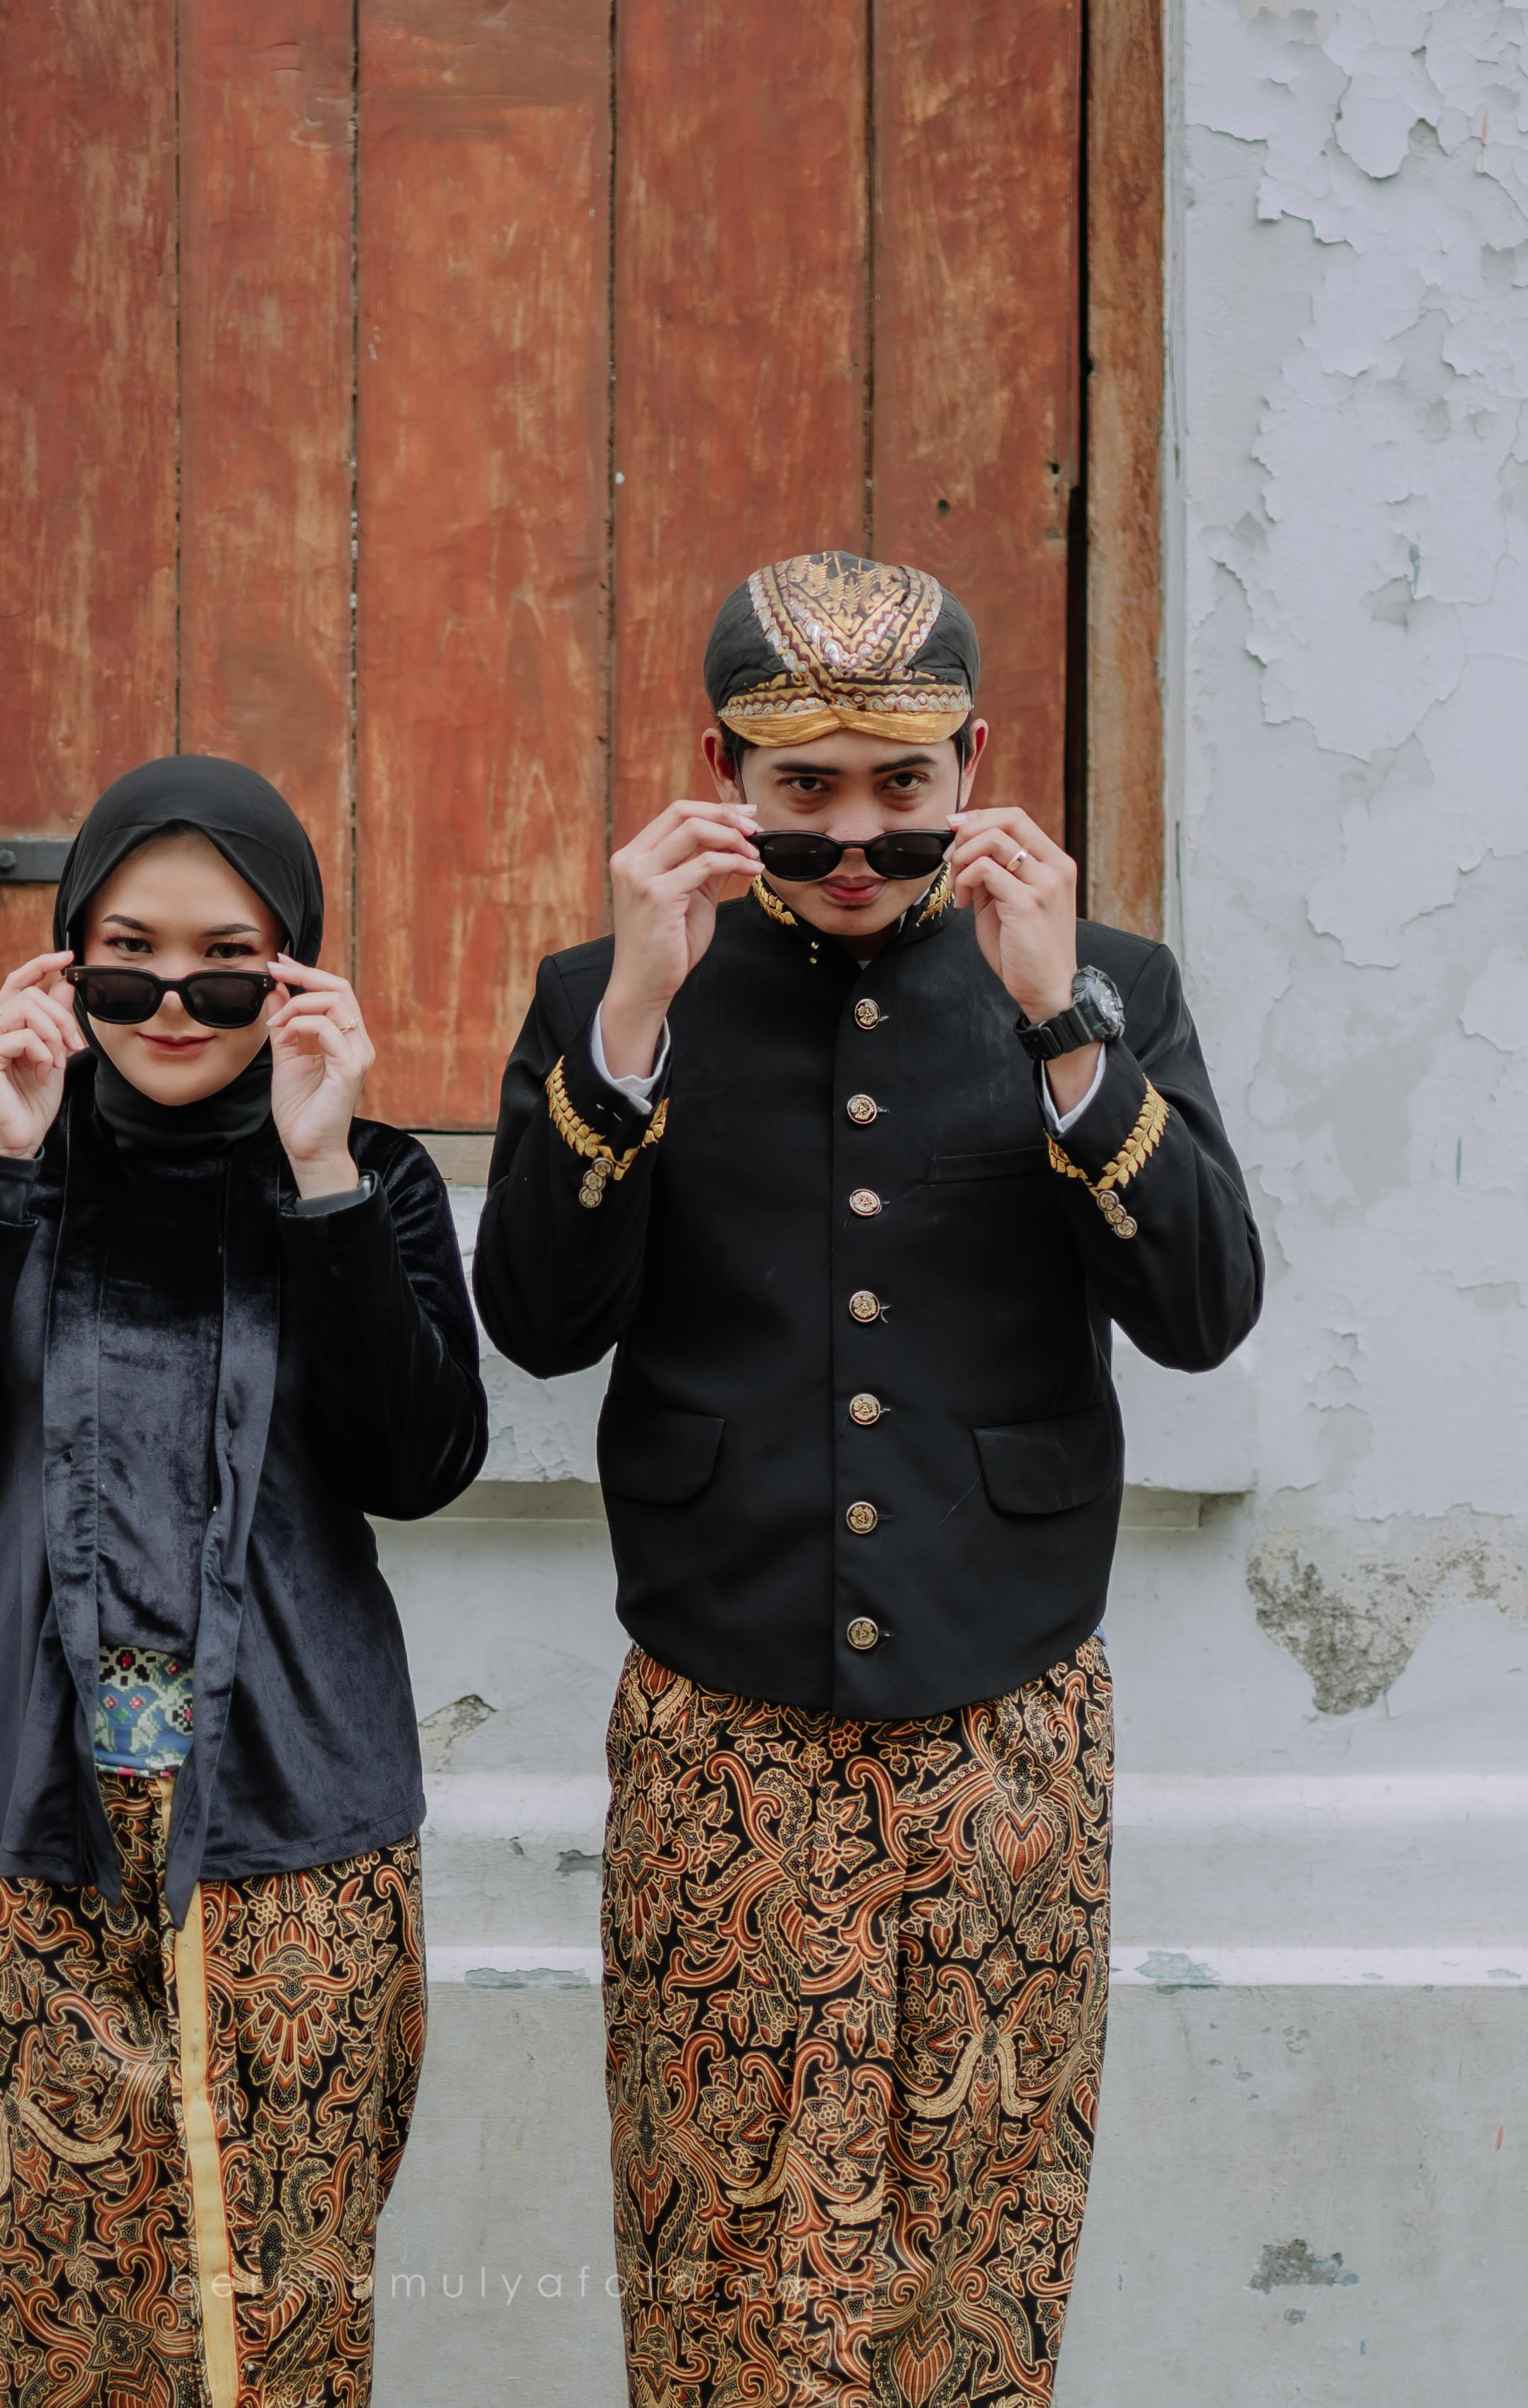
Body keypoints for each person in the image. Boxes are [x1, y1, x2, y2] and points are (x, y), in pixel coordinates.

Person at [473, 553, 1265, 2406]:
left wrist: (1061, 1026)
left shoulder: (1105, 986)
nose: (851, 840)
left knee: (975, 2246)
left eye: (900, 789)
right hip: (720, 1714)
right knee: (719, 2241)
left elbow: (1203, 1310)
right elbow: (538, 1321)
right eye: (802, 789)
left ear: (973, 766)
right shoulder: (609, 990)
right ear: (719, 772)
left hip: (1003, 1718)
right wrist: (629, 1028)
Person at [0, 755, 487, 2408]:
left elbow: (419, 1464)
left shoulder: (372, 1180)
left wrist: (322, 1179)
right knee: (47, 2323)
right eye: (127, 960)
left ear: (293, 974)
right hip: (27, 1836)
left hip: (293, 1832)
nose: (172, 1003)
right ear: (65, 964)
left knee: (279, 2330)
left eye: (226, 965)